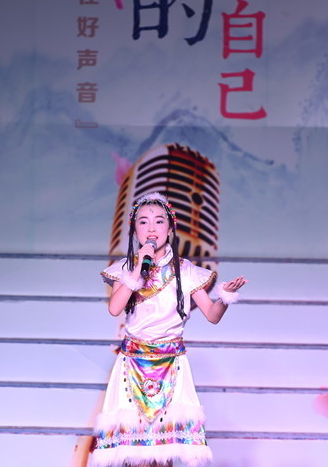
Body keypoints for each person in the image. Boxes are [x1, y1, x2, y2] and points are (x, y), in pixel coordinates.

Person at [90, 192, 247, 467]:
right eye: (143, 222)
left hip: (171, 364)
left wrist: (225, 297)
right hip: (132, 364)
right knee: (134, 454)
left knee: (165, 454)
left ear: (170, 228)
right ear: (134, 230)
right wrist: (136, 270)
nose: (151, 228)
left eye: (159, 221)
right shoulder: (125, 269)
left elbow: (212, 315)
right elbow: (115, 308)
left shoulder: (185, 271)